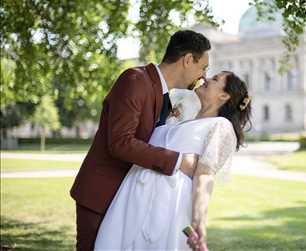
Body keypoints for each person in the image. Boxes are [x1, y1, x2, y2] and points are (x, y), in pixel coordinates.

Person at [70, 30, 211, 251]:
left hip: (128, 199)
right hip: (103, 193)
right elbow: (120, 142)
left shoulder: (163, 96)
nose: (203, 76)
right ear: (187, 60)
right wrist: (177, 161)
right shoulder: (135, 79)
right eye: (203, 67)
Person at [94, 71, 252, 250]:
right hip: (132, 196)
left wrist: (198, 221)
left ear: (224, 95)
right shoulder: (179, 120)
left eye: (215, 79)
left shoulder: (220, 126)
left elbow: (205, 175)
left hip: (169, 204)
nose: (206, 78)